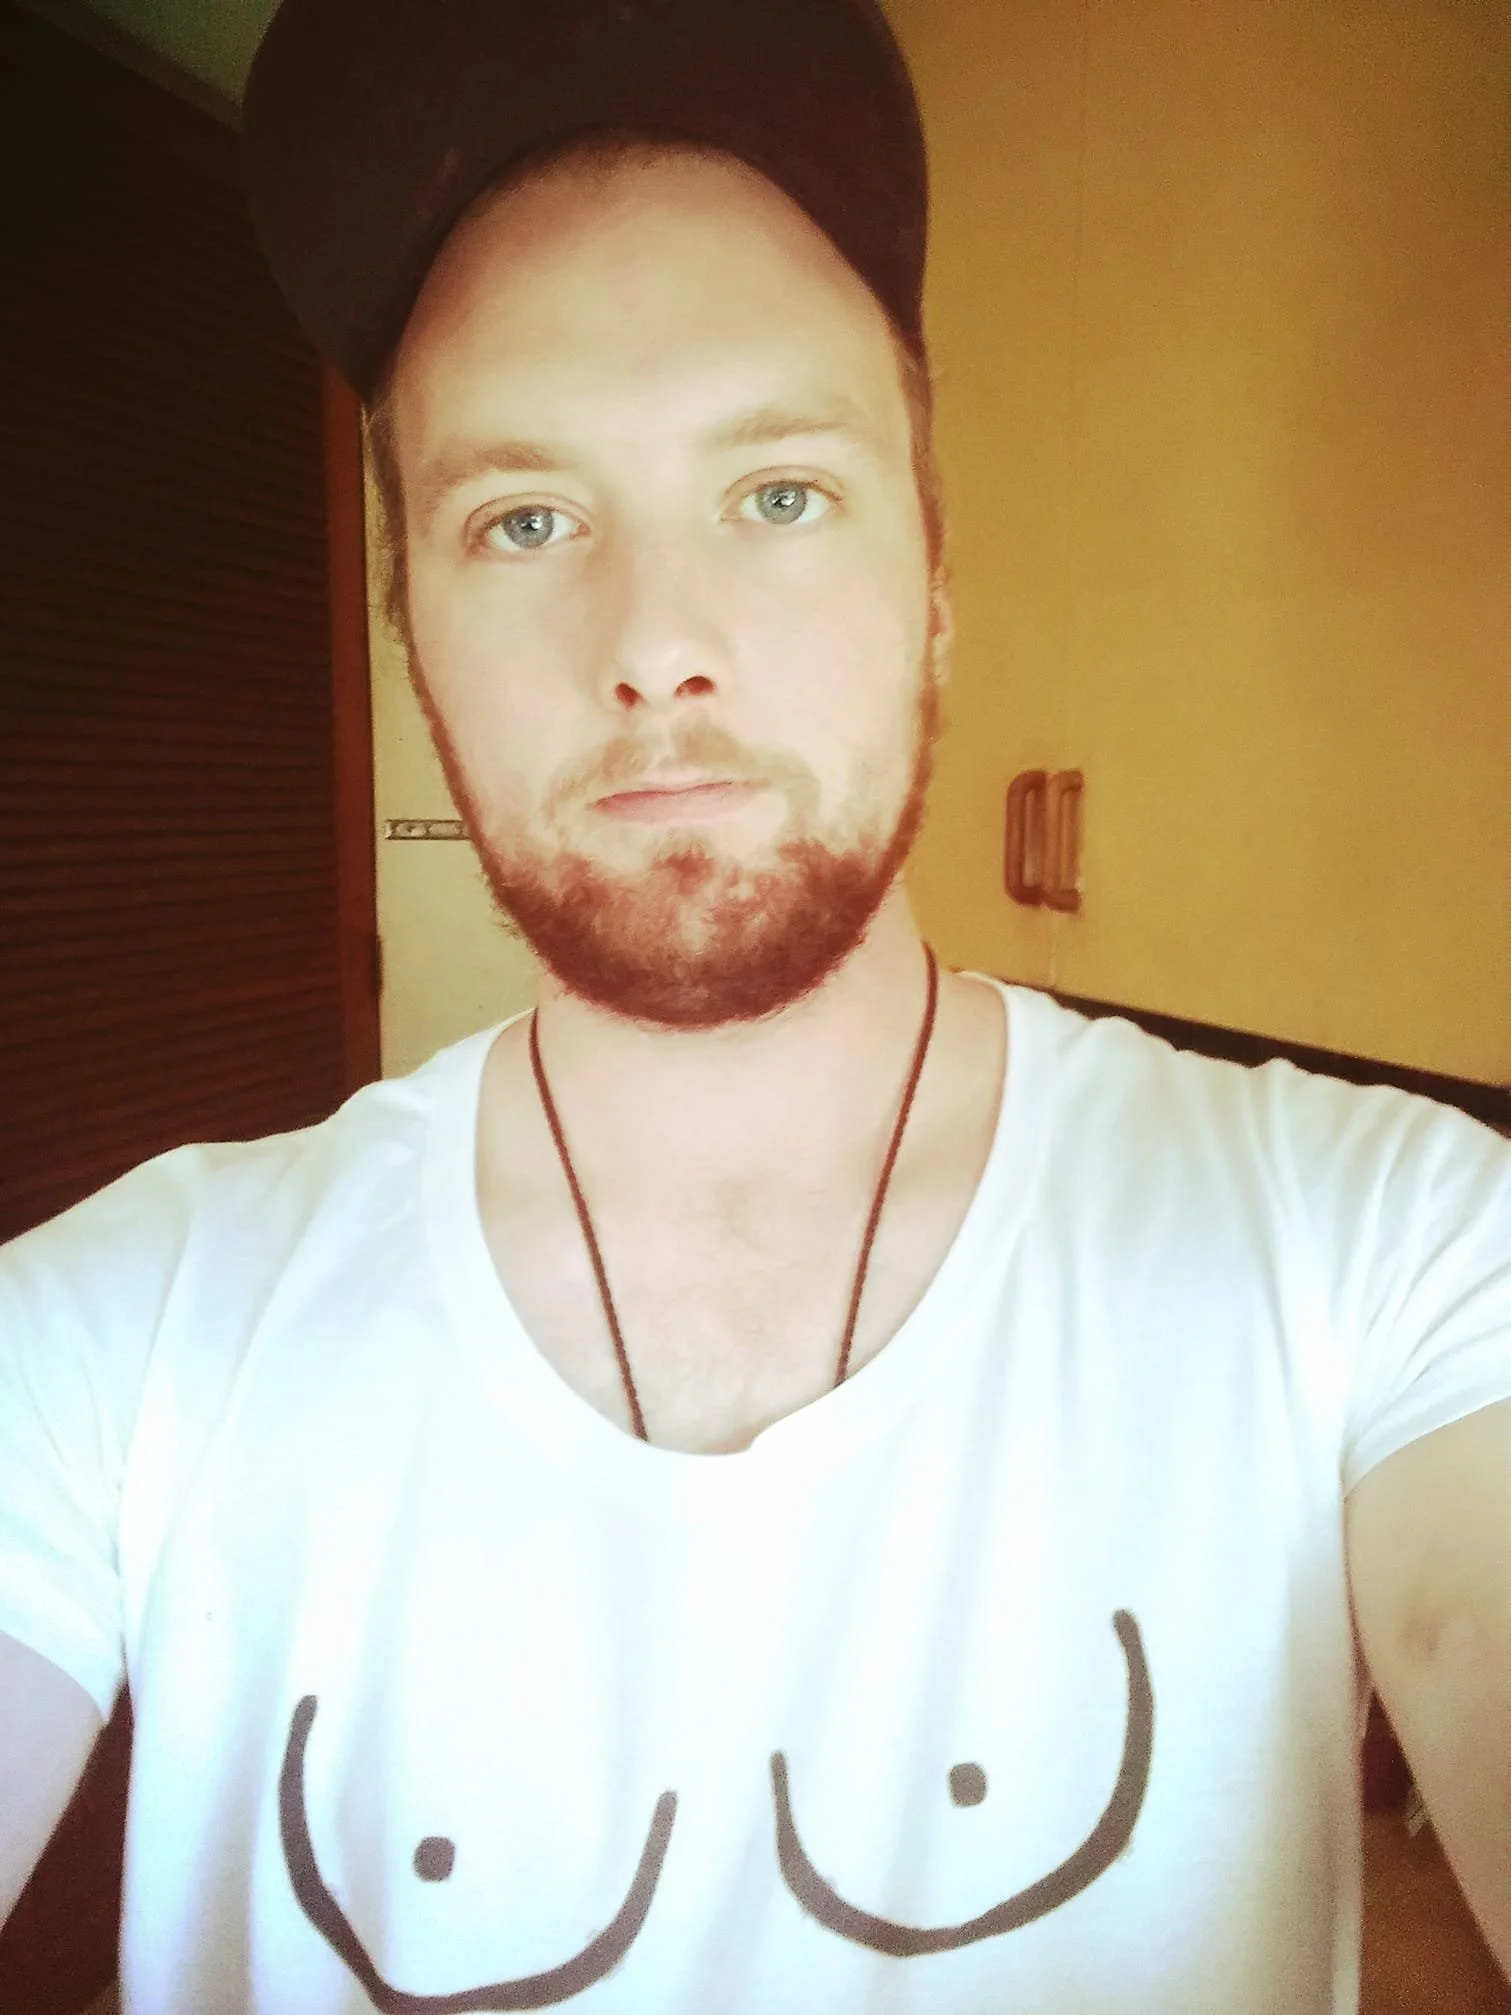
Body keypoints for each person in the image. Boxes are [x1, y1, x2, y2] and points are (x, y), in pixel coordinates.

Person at [1, 0, 1508, 2007]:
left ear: (937, 575)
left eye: (778, 491)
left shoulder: (1380, 1257)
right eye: (520, 517)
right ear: (409, 626)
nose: (658, 645)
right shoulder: (125, 1342)